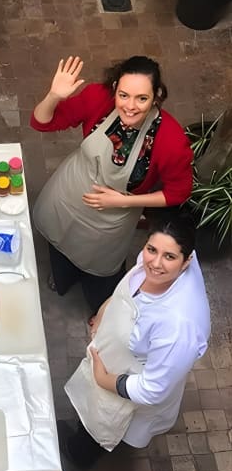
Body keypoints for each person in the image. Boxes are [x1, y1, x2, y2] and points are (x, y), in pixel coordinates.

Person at [31, 55, 193, 314]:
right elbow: (41, 122)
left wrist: (125, 201)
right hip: (68, 194)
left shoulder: (170, 139)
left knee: (101, 276)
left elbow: (178, 192)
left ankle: (100, 309)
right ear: (115, 87)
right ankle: (62, 281)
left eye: (142, 98)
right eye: (124, 95)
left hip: (112, 219)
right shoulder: (98, 98)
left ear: (156, 96)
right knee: (59, 246)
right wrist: (53, 95)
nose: (130, 106)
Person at [58, 214, 211, 470]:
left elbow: (153, 388)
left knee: (102, 426)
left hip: (125, 383)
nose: (155, 263)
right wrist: (106, 310)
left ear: (187, 262)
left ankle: (79, 455)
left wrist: (105, 380)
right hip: (109, 360)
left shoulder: (179, 326)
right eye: (151, 249)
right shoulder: (155, 263)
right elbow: (132, 282)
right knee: (92, 410)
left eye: (169, 257)